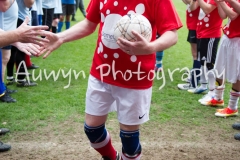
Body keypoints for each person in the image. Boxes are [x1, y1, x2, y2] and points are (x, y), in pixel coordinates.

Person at [39, 0, 182, 159]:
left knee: (129, 140)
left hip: (136, 77)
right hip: (101, 71)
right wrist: (60, 37)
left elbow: (171, 33)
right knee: (92, 129)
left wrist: (150, 48)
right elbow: (89, 23)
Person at [201, 0, 240, 140]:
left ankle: (232, 107)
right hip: (229, 37)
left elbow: (235, 15)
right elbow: (224, 15)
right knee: (219, 69)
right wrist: (220, 2)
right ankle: (220, 99)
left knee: (238, 75)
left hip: (238, 40)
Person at [178, 0, 201, 90]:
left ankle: (195, 80)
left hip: (196, 26)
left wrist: (191, 1)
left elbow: (193, 7)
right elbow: (187, 2)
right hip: (193, 26)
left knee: (196, 54)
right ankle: (196, 77)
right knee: (196, 54)